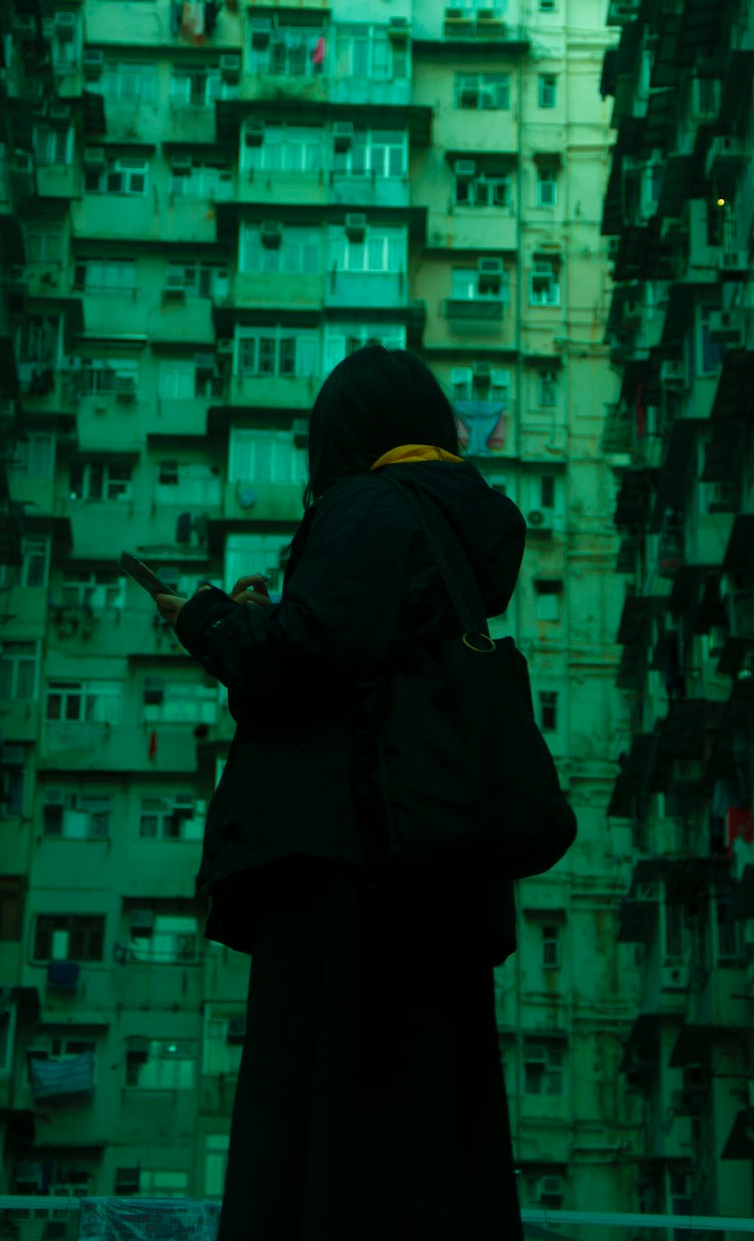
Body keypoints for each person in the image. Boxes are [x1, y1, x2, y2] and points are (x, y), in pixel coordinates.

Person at [154, 344, 528, 1241]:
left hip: (345, 866)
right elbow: (358, 650)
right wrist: (264, 621)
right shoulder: (448, 524)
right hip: (433, 868)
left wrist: (204, 619)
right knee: (426, 1138)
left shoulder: (370, 504)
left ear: (344, 438)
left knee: (314, 1126)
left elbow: (312, 652)